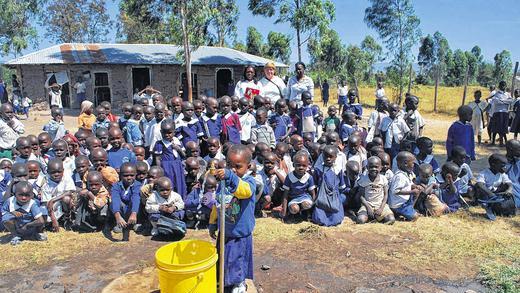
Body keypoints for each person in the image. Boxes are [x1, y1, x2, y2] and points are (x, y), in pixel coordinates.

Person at [208, 144, 256, 292]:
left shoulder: (249, 182)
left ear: (248, 167)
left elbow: (244, 192)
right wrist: (212, 222)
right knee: (223, 258)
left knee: (237, 260)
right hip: (225, 230)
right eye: (229, 165)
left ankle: (239, 283)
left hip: (239, 233)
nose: (233, 169)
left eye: (238, 166)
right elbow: (218, 203)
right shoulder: (223, 182)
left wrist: (230, 176)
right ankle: (224, 280)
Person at [311, 145, 345, 226]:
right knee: (319, 217)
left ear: (335, 157)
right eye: (326, 156)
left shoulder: (338, 170)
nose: (328, 159)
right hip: (321, 196)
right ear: (322, 156)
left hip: (334, 196)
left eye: (331, 157)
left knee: (336, 218)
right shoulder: (318, 169)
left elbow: (342, 186)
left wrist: (336, 196)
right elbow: (314, 185)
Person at [474, 154, 515, 220]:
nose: (505, 168)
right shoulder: (484, 173)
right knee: (479, 186)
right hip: (486, 194)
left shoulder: (502, 174)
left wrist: (509, 190)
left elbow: (509, 183)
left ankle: (497, 205)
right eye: (502, 165)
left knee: (506, 187)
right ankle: (486, 204)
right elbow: (480, 184)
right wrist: (490, 194)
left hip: (496, 194)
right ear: (493, 164)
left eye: (505, 165)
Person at [355, 156, 395, 224]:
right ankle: (371, 217)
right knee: (360, 220)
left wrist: (381, 208)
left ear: (380, 168)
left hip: (380, 205)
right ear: (367, 168)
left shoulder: (383, 179)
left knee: (391, 219)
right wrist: (368, 208)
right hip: (367, 204)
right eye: (371, 167)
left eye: (376, 167)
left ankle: (377, 221)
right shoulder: (363, 179)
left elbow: (385, 195)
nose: (373, 169)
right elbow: (361, 196)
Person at [153, 120, 187, 199]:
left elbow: (184, 155)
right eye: (164, 133)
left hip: (178, 166)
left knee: (179, 183)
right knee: (169, 183)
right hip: (167, 167)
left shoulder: (177, 142)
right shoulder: (159, 144)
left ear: (174, 132)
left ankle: (180, 201)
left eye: (169, 133)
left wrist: (178, 149)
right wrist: (160, 171)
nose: (167, 135)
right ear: (161, 132)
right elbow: (157, 158)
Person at [40, 159, 76, 232]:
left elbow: (69, 192)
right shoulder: (46, 184)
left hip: (65, 204)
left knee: (66, 199)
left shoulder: (66, 177)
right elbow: (47, 204)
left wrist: (53, 200)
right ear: (48, 172)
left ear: (63, 170)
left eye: (59, 172)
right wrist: (54, 221)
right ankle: (56, 222)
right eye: (53, 172)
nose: (56, 174)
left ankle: (67, 218)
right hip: (53, 208)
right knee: (45, 219)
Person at [109, 163, 142, 241]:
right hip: (121, 211)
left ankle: (135, 223)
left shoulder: (137, 185)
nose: (129, 178)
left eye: (132, 175)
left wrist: (134, 213)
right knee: (113, 202)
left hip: (132, 210)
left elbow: (135, 198)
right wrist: (117, 216)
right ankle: (120, 222)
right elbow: (115, 199)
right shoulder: (116, 186)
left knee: (137, 201)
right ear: (120, 175)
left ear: (135, 174)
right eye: (126, 175)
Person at [281, 152, 316, 219]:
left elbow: (313, 194)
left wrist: (314, 210)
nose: (301, 168)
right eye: (298, 165)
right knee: (294, 209)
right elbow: (285, 195)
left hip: (305, 198)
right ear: (293, 165)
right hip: (293, 199)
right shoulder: (289, 177)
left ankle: (305, 212)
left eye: (304, 166)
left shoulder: (309, 177)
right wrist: (284, 211)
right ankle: (295, 213)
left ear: (308, 166)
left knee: (306, 204)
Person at [388, 152, 422, 221]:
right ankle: (398, 212)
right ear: (406, 163)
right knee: (415, 217)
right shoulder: (400, 176)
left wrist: (415, 186)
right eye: (412, 163)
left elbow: (409, 184)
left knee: (417, 192)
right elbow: (396, 191)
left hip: (404, 201)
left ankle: (409, 210)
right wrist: (411, 192)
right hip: (398, 204)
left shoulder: (405, 173)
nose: (413, 165)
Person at [488, 81, 512, 146]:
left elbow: (510, 101)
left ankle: (501, 142)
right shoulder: (496, 94)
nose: (503, 86)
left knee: (503, 128)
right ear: (499, 86)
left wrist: (501, 101)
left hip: (505, 113)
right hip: (497, 112)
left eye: (504, 85)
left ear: (506, 86)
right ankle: (493, 142)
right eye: (502, 85)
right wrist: (505, 101)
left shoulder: (508, 94)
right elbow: (496, 102)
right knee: (495, 127)